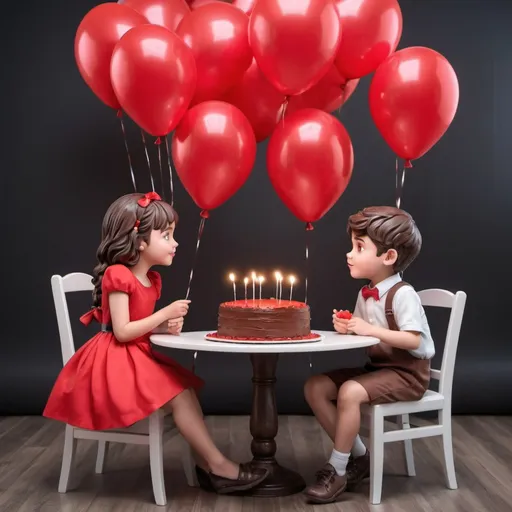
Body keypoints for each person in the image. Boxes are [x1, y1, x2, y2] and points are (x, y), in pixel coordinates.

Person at [44, 192, 268, 494]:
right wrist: (163, 313)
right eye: (167, 235)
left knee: (185, 389)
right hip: (112, 362)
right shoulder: (118, 275)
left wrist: (162, 325)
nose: (175, 243)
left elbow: (138, 328)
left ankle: (208, 465)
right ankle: (219, 467)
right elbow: (122, 331)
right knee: (179, 394)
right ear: (139, 241)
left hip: (134, 354)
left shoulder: (151, 279)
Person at [303, 206, 434, 504]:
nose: (349, 254)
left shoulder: (403, 294)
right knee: (315, 386)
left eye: (359, 247)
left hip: (408, 375)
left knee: (350, 391)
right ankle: (359, 457)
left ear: (388, 257)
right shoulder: (367, 293)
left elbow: (414, 339)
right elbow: (366, 335)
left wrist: (368, 329)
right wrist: (349, 328)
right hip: (379, 370)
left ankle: (337, 469)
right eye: (352, 246)